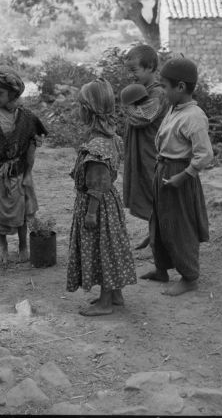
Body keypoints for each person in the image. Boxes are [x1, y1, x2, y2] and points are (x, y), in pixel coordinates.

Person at [140, 57, 213, 296]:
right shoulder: (175, 108)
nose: (161, 90)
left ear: (180, 87)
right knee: (160, 222)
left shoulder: (194, 116)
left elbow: (204, 155)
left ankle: (189, 277)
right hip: (164, 170)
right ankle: (162, 269)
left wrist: (184, 176)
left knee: (180, 226)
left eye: (164, 86)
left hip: (179, 175)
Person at [66, 78, 137, 316]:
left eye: (80, 106)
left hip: (98, 206)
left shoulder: (97, 146)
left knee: (101, 248)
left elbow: (98, 182)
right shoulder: (111, 138)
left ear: (87, 110)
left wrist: (91, 212)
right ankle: (115, 295)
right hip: (110, 205)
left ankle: (106, 303)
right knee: (110, 247)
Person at [0, 67, 47, 264]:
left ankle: (23, 246)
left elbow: (31, 144)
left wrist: (27, 172)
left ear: (13, 94)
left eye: (0, 93)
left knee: (22, 209)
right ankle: (3, 246)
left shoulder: (25, 117)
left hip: (19, 171)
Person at [122, 43, 169, 250]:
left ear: (150, 67)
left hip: (153, 153)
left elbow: (142, 118)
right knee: (146, 191)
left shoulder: (157, 93)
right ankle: (153, 233)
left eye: (135, 70)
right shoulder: (143, 90)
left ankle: (163, 239)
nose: (131, 75)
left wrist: (128, 103)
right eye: (129, 71)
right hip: (141, 152)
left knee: (154, 194)